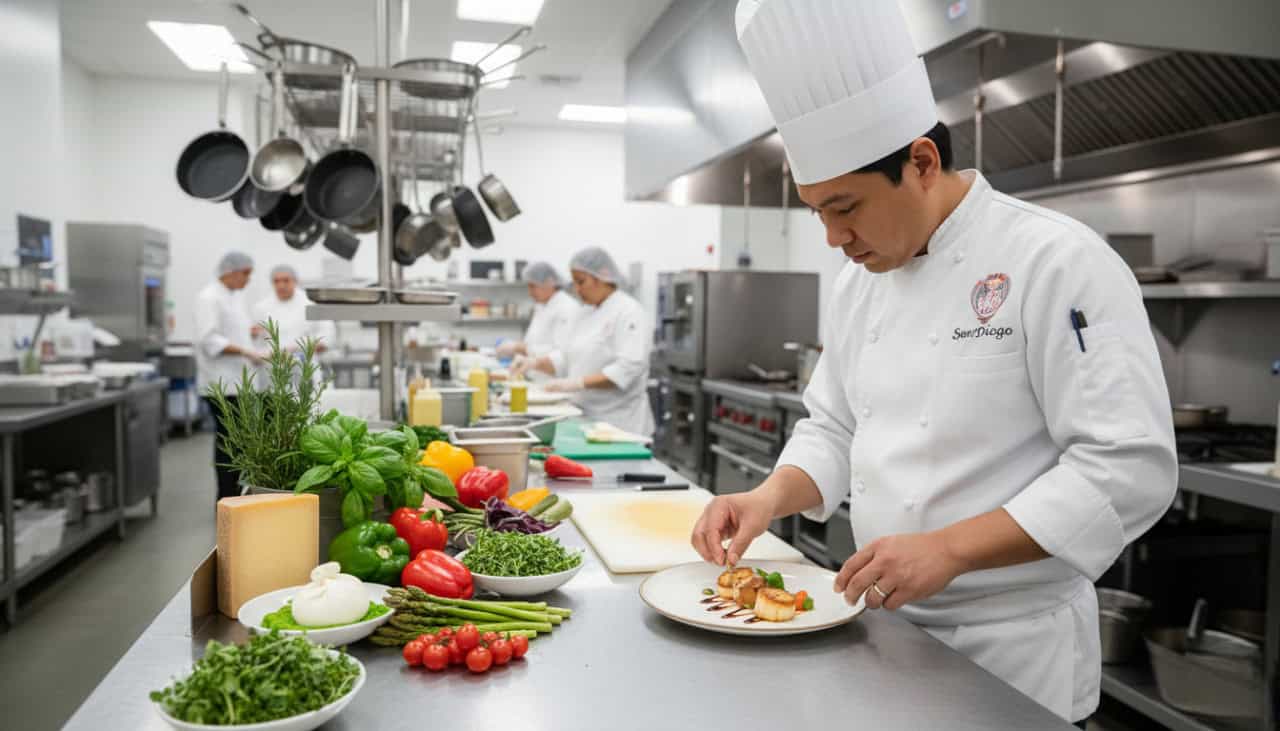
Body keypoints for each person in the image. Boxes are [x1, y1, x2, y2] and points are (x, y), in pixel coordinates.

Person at [690, 2, 1177, 726]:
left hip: (1014, 654)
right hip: (881, 632)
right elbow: (834, 427)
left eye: (845, 206)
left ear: (921, 162)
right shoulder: (863, 280)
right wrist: (768, 498)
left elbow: (1128, 467)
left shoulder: (1057, 261)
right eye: (816, 211)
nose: (832, 237)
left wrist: (948, 549)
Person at [516, 247, 654, 436]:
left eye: (581, 282)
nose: (577, 290)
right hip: (584, 416)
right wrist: (535, 363)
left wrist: (577, 383)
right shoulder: (585, 312)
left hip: (619, 423)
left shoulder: (629, 312)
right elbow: (565, 357)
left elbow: (628, 368)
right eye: (574, 283)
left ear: (603, 277)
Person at [196, 251, 266, 501]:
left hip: (237, 383)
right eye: (246, 274)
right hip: (221, 384)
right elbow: (209, 339)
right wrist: (247, 351)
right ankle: (225, 498)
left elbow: (228, 330)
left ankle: (233, 494)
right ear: (231, 272)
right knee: (228, 444)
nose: (248, 280)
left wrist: (248, 331)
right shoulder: (209, 297)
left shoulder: (232, 297)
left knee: (236, 443)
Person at [495, 261, 581, 360]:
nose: (530, 292)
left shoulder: (567, 307)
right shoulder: (542, 305)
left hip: (549, 374)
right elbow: (533, 340)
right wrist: (519, 351)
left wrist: (518, 348)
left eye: (533, 286)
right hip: (532, 370)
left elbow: (560, 352)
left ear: (549, 282)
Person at [251, 264, 336, 352]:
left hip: (304, 363)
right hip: (273, 363)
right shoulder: (261, 308)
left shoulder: (312, 305)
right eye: (276, 281)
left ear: (295, 281)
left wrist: (296, 349)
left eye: (286, 280)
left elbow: (327, 337)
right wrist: (253, 335)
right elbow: (256, 341)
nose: (281, 286)